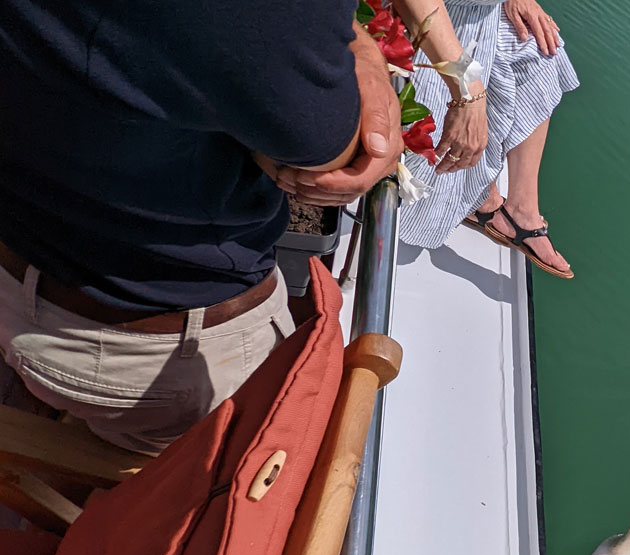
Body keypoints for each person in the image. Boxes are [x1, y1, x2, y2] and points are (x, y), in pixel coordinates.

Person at [0, 0, 485, 454]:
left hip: (19, 258)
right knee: (174, 482)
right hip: (154, 356)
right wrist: (366, 58)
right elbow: (331, 157)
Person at [394, 0, 579, 278]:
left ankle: (519, 209)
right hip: (423, 28)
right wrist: (467, 91)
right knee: (427, 160)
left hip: (477, 20)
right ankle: (480, 199)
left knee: (540, 49)